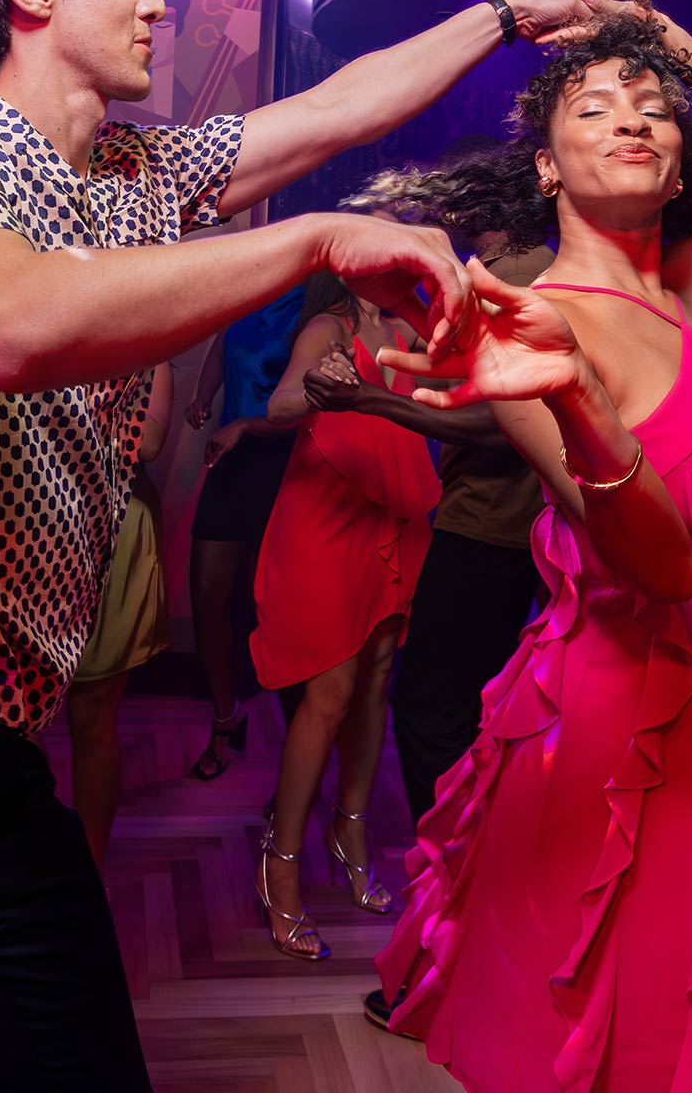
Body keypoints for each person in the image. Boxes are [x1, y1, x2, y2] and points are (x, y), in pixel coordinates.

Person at [0, 0, 600, 1091]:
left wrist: (507, 16)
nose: (161, 4)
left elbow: (344, 107)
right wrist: (315, 239)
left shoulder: (140, 177)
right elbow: (15, 325)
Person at [361, 5, 692, 1091]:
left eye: (655, 111)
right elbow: (657, 567)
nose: (634, 120)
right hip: (631, 715)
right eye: (593, 108)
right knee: (641, 1026)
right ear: (547, 168)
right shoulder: (532, 320)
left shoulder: (690, 280)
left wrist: (662, 36)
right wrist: (584, 397)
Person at [246, 269, 439, 961]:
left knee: (376, 682)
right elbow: (278, 404)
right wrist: (316, 386)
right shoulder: (330, 328)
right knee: (328, 695)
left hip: (392, 508)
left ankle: (350, 827)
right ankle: (282, 858)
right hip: (326, 517)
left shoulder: (405, 328)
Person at [366, 228, 552, 824]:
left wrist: (372, 401)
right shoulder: (532, 269)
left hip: (489, 525)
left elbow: (505, 426)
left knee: (429, 704)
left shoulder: (514, 272)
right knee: (478, 702)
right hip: (519, 528)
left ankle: (450, 859)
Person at [181, 287, 306, 781]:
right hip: (233, 461)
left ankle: (298, 744)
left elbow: (311, 407)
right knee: (208, 597)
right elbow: (221, 347)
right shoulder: (251, 295)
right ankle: (225, 716)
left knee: (272, 606)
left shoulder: (316, 308)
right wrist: (201, 396)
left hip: (286, 467)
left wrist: (251, 425)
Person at [63, 361, 173, 866]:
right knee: (9, 721)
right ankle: (29, 856)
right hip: (32, 534)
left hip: (113, 528)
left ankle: (88, 868)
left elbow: (148, 443)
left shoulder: (150, 348)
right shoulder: (41, 328)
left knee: (92, 716)